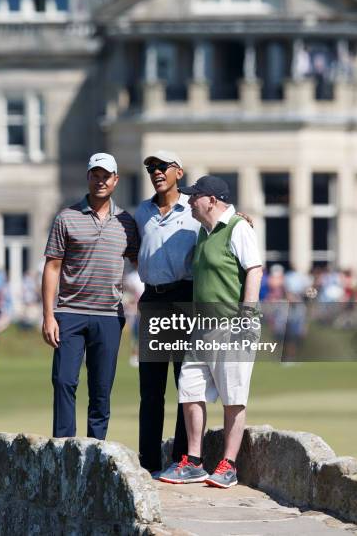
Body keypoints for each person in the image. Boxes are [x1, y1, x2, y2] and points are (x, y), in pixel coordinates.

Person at [159, 175, 263, 488]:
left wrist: (246, 315)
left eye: (194, 197)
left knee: (233, 396)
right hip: (201, 325)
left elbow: (254, 270)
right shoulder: (203, 232)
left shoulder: (238, 228)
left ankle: (228, 465)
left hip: (233, 323)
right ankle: (193, 461)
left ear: (212, 201)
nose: (189, 201)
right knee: (189, 389)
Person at [42, 153, 139, 439]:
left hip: (109, 316)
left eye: (105, 176)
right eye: (95, 175)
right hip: (69, 312)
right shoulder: (66, 218)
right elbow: (53, 266)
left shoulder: (127, 223)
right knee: (63, 381)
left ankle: (96, 450)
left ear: (115, 180)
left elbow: (141, 262)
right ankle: (64, 448)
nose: (100, 181)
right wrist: (48, 315)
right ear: (88, 177)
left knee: (101, 389)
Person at [134, 150, 200, 475]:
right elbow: (134, 250)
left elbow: (223, 223)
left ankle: (181, 460)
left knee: (185, 384)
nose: (155, 172)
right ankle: (147, 463)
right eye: (151, 168)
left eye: (162, 167)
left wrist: (241, 218)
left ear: (178, 171)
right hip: (152, 300)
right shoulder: (141, 211)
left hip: (183, 298)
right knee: (151, 388)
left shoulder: (193, 209)